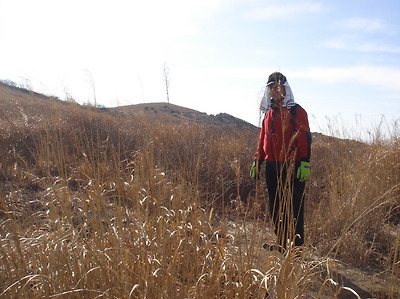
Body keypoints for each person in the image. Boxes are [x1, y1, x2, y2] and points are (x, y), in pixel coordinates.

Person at [251, 72, 312, 251]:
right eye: (272, 87)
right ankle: (281, 242)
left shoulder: (296, 110)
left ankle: (297, 248)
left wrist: (304, 162)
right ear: (269, 90)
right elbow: (263, 139)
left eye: (279, 87)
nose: (276, 90)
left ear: (286, 88)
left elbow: (305, 137)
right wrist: (257, 160)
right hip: (272, 166)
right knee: (276, 206)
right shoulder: (268, 114)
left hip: (292, 166)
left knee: (294, 207)